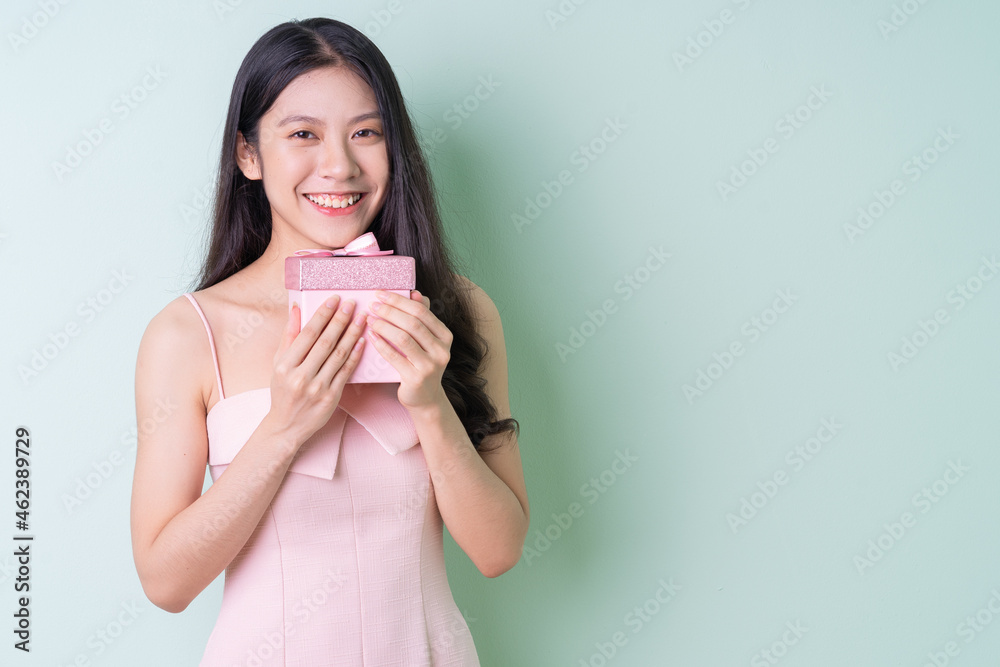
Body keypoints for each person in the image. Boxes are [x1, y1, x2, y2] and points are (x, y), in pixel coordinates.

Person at [129, 17, 529, 665]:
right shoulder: (186, 334)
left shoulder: (461, 310)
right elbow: (165, 581)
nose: (339, 166)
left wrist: (429, 402)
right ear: (248, 155)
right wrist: (285, 426)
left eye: (366, 133)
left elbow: (498, 549)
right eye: (303, 135)